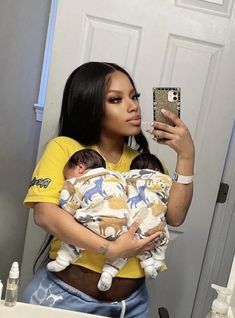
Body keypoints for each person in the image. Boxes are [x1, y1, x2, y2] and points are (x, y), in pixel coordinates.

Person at [22, 61, 195, 318]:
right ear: (90, 106)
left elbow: (175, 216)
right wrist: (109, 249)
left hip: (132, 306)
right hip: (63, 299)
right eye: (116, 99)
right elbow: (44, 214)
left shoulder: (145, 164)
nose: (133, 105)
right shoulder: (65, 149)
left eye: (134, 96)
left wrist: (186, 155)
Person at [47, 149, 171, 292]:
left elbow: (68, 203)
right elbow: (130, 199)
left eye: (67, 176)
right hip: (121, 224)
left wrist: (69, 210)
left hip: (95, 222)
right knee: (133, 241)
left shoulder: (77, 180)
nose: (68, 179)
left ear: (80, 167)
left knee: (75, 230)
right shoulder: (118, 177)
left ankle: (63, 259)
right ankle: (123, 269)